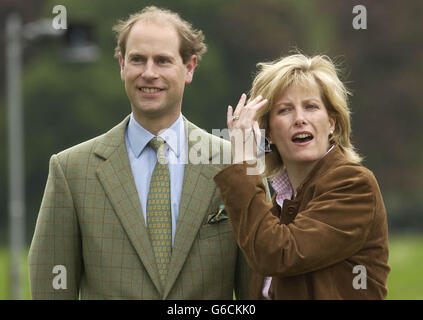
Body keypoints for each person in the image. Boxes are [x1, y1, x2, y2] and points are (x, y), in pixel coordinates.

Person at [28, 6, 252, 299]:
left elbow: (258, 286)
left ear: (190, 67)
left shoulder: (236, 163)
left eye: (162, 61)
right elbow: (50, 287)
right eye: (137, 60)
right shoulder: (70, 171)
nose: (149, 73)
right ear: (122, 65)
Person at [214, 53, 390, 299]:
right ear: (268, 134)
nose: (299, 119)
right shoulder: (279, 203)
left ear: (332, 122)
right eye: (285, 110)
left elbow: (276, 253)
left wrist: (243, 163)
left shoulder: (354, 185)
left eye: (311, 106)